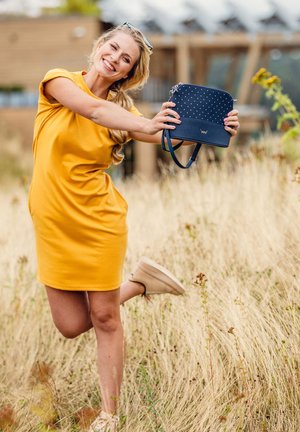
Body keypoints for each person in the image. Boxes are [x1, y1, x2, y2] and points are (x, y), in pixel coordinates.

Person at [28, 23, 239, 432]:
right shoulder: (57, 83)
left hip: (99, 221)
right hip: (53, 222)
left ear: (128, 72)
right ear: (99, 46)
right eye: (113, 48)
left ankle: (109, 415)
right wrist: (142, 124)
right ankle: (142, 282)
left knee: (105, 318)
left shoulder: (126, 116)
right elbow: (92, 109)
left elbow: (171, 138)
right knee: (70, 326)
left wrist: (213, 130)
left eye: (126, 59)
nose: (115, 59)